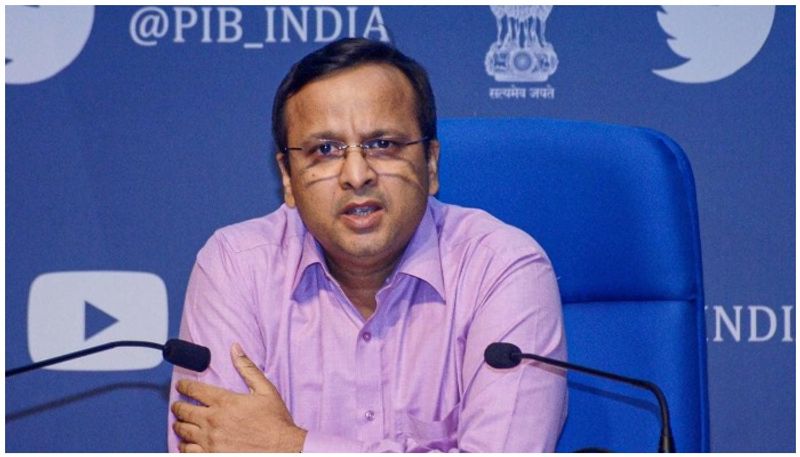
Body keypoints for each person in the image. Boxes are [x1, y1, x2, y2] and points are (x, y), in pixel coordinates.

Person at [168, 37, 567, 453]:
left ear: (431, 163)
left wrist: (289, 445)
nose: (356, 175)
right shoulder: (235, 267)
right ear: (287, 176)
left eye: (383, 145)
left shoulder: (502, 268)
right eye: (325, 150)